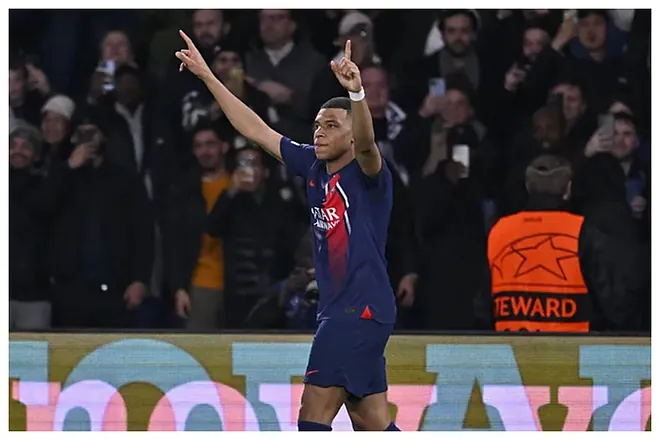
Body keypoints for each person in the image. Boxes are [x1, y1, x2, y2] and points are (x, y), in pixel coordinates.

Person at [176, 30, 400, 431]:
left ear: (351, 135)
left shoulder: (368, 175)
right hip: (353, 312)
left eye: (331, 125)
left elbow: (368, 144)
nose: (319, 132)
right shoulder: (312, 165)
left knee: (312, 417)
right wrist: (208, 76)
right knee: (371, 422)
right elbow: (256, 129)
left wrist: (357, 94)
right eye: (317, 125)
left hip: (356, 311)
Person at [475, 154, 643, 332]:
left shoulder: (499, 231)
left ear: (527, 187)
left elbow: (482, 307)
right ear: (568, 189)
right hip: (572, 346)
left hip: (508, 345)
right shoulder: (583, 232)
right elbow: (615, 304)